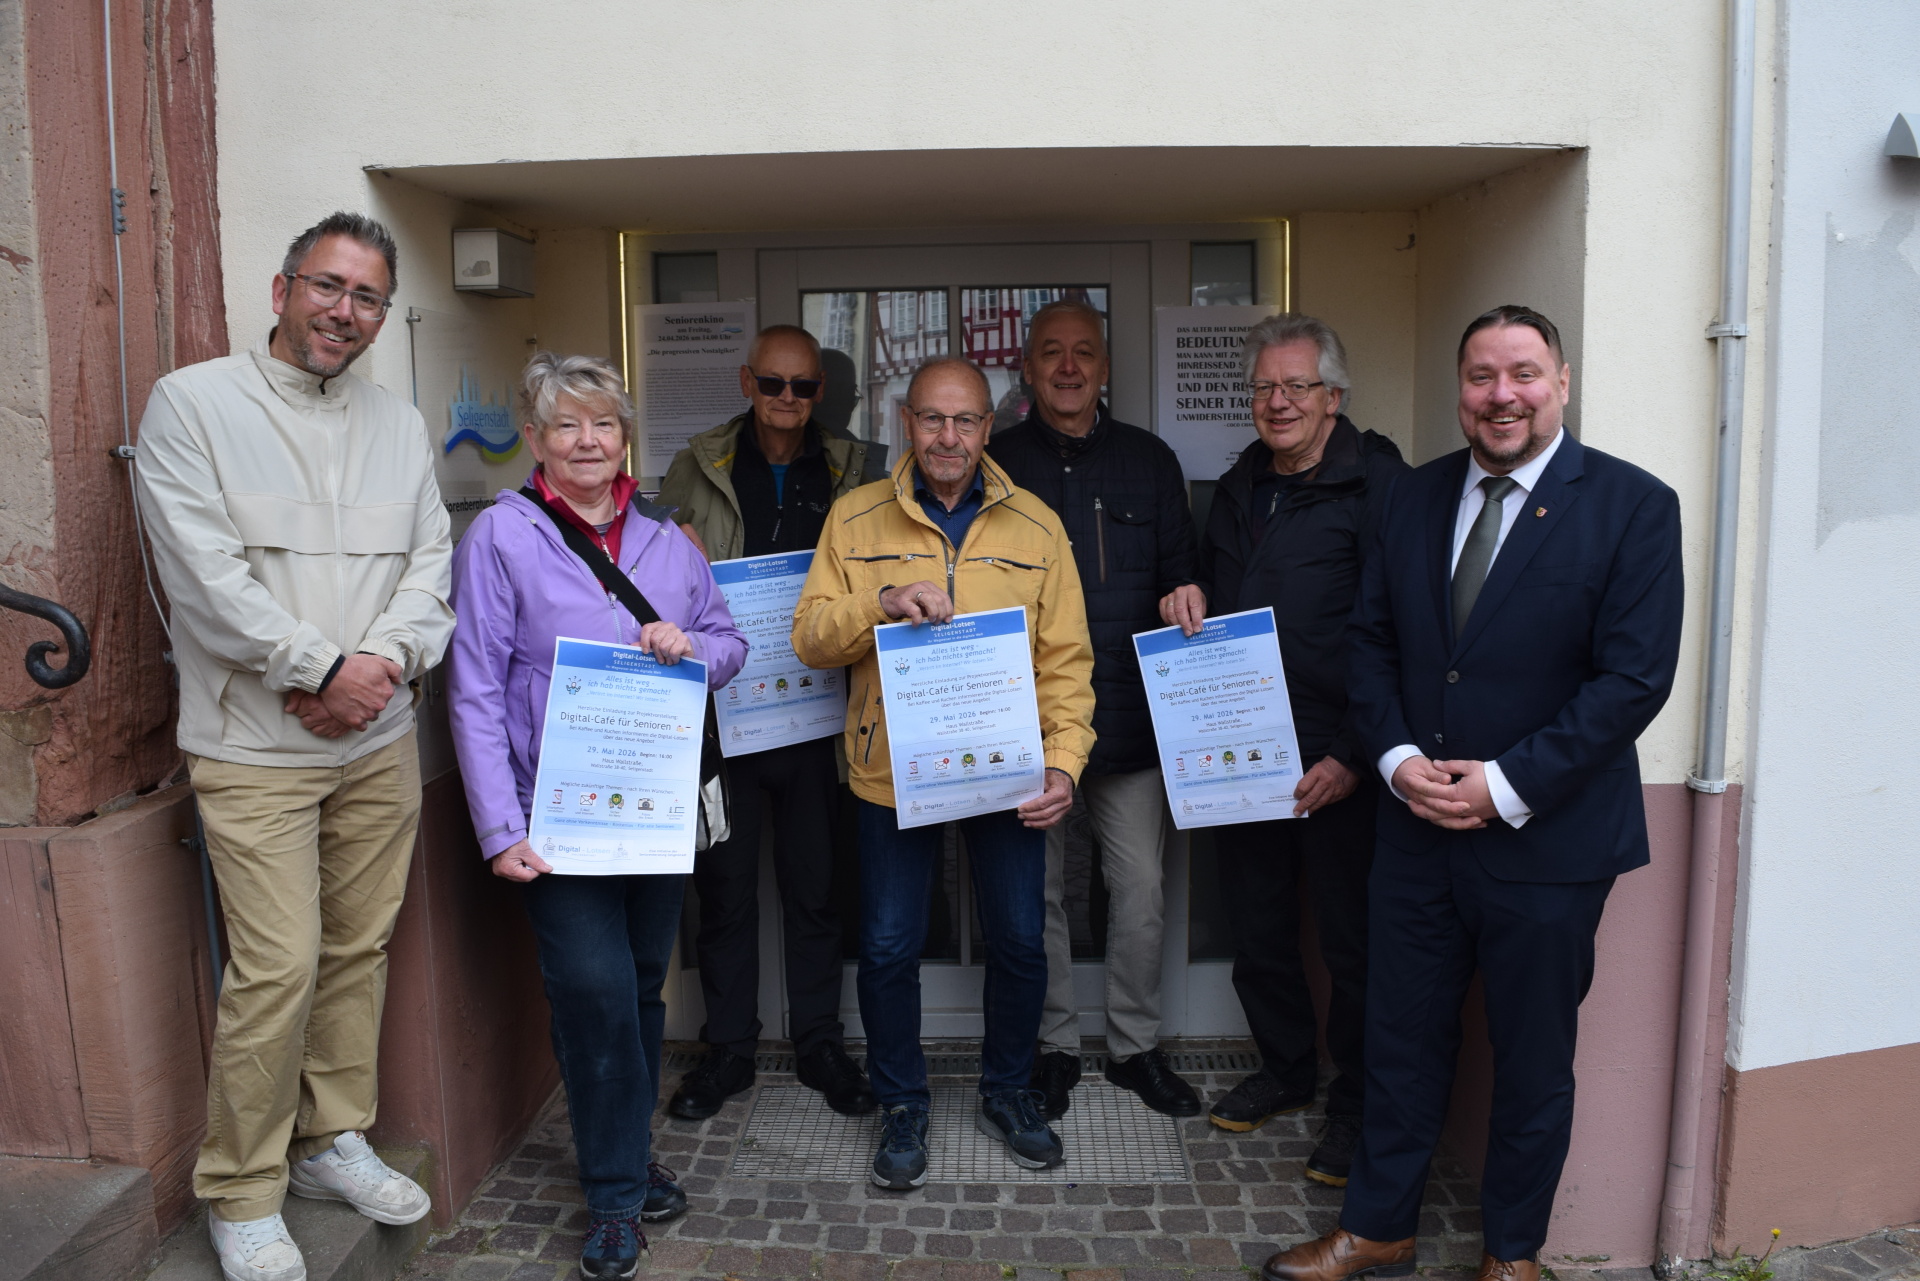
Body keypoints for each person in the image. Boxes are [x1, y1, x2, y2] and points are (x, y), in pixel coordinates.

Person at [1261, 306, 1683, 1281]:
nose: (1502, 396)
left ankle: (1512, 1256)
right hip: (1413, 830)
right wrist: (1399, 757)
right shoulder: (1410, 497)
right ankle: (1379, 1228)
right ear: (1460, 389)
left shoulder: (1630, 506)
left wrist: (1504, 784)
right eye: (1482, 376)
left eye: (1523, 374)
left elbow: (1632, 682)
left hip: (1550, 844)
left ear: (1562, 383)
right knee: (1398, 1042)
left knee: (1532, 1063)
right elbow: (1372, 645)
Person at [134, 212, 449, 1281]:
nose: (346, 313)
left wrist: (380, 669)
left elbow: (429, 568)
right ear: (280, 289)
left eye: (367, 298)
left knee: (359, 950)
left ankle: (330, 1141)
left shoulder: (399, 424)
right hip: (253, 746)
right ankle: (240, 1187)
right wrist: (321, 671)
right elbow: (203, 580)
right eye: (329, 288)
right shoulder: (192, 405)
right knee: (277, 966)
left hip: (379, 737)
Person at [447, 352, 747, 1280]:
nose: (587, 441)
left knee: (642, 988)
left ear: (626, 438)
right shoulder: (502, 537)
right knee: (592, 993)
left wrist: (691, 642)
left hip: (654, 810)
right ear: (535, 439)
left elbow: (733, 645)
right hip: (557, 815)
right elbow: (473, 689)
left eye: (604, 424)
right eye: (566, 425)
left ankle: (623, 1147)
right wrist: (501, 829)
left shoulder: (668, 534)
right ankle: (615, 1193)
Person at [791, 356, 1095, 1188]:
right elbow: (811, 635)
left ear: (988, 428)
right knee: (889, 946)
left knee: (1020, 940)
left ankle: (1007, 1089)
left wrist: (1065, 764)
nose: (948, 437)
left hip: (1010, 775)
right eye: (932, 420)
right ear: (906, 424)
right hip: (891, 770)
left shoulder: (1035, 526)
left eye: (965, 421)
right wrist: (879, 602)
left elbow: (1067, 662)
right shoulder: (854, 520)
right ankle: (902, 1101)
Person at [1159, 314, 1407, 1180]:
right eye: (1264, 387)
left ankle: (1357, 1106)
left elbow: (1401, 634)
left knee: (1353, 943)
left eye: (1296, 387)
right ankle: (1286, 1069)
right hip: (1244, 754)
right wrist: (1181, 591)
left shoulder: (1380, 485)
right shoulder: (1241, 484)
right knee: (1261, 926)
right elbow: (1206, 584)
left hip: (1342, 763)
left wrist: (1350, 753)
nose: (1277, 402)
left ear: (1332, 397)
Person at [986, 301, 1203, 1120]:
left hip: (1132, 721)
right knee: (1035, 900)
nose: (1069, 367)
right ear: (1029, 368)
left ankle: (1135, 1045)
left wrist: (1189, 593)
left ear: (1105, 367)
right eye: (1051, 353)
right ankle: (1053, 1046)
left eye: (1083, 353)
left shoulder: (1151, 461)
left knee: (1139, 891)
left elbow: (1180, 570)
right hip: (1026, 726)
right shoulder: (995, 462)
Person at [657, 325, 877, 1120]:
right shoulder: (698, 465)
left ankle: (820, 1042)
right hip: (728, 716)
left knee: (818, 890)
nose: (788, 400)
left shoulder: (854, 469)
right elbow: (653, 575)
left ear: (822, 392)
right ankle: (729, 1052)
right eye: (774, 384)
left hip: (821, 714)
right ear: (749, 381)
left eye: (804, 387)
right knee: (724, 891)